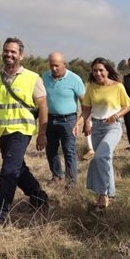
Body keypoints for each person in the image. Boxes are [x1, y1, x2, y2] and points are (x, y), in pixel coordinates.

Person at [0, 37, 49, 225]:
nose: (9, 54)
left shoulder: (32, 78)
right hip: (3, 131)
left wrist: (42, 133)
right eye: (6, 50)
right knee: (17, 168)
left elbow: (43, 106)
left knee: (8, 171)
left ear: (21, 55)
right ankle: (39, 197)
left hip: (22, 130)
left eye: (13, 51)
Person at [81, 58, 130, 212]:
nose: (98, 73)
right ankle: (111, 193)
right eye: (95, 70)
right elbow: (87, 107)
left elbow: (127, 106)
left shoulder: (118, 87)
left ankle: (102, 195)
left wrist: (116, 116)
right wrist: (85, 122)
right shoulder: (91, 87)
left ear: (108, 71)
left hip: (113, 126)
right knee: (106, 160)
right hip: (96, 127)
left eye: (101, 70)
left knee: (100, 157)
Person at [42, 51, 86, 186]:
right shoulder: (45, 77)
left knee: (69, 150)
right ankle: (56, 176)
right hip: (49, 120)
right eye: (51, 66)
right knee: (51, 150)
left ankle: (71, 182)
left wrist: (80, 122)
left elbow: (85, 103)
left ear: (64, 64)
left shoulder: (75, 79)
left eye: (57, 66)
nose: (54, 69)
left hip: (68, 121)